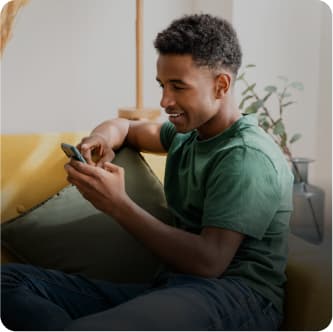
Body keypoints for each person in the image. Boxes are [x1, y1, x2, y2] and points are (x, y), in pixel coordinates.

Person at [1, 14, 293, 331]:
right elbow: (125, 127)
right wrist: (100, 140)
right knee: (8, 282)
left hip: (237, 297)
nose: (165, 100)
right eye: (163, 85)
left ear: (221, 85)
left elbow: (210, 262)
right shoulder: (188, 135)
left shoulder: (246, 156)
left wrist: (118, 205)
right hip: (172, 288)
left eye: (178, 87)